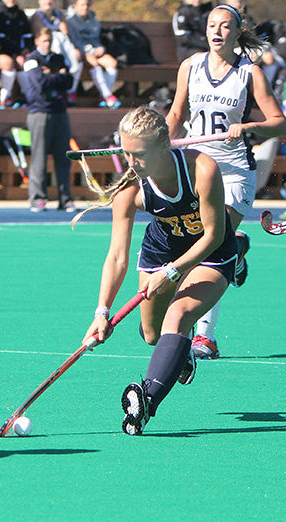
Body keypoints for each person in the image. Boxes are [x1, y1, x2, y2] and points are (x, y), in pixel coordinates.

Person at [79, 106, 238, 435]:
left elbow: (213, 234)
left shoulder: (202, 169)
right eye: (125, 153)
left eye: (138, 155)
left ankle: (145, 403)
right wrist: (102, 311)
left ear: (164, 147)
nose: (131, 164)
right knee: (153, 335)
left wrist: (172, 272)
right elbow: (117, 256)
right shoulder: (130, 189)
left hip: (210, 252)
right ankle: (178, 355)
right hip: (162, 249)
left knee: (177, 316)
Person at [166, 3, 286, 359]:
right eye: (211, 26)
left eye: (224, 26)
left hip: (234, 172)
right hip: (198, 168)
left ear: (236, 33)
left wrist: (248, 127)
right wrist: (160, 143)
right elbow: (176, 112)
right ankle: (236, 251)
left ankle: (204, 336)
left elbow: (279, 121)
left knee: (208, 247)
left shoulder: (250, 73)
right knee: (207, 244)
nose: (216, 31)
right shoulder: (190, 66)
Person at [23, 27, 75, 212]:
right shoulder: (31, 60)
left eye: (49, 40)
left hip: (59, 112)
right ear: (37, 41)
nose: (47, 44)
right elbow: (40, 85)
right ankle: (38, 198)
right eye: (44, 40)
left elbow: (69, 82)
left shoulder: (58, 58)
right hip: (40, 113)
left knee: (64, 157)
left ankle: (65, 198)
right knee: (39, 157)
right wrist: (57, 75)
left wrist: (52, 75)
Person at [65, 0, 120, 110]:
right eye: (82, 5)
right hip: (81, 52)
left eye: (87, 5)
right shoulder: (69, 21)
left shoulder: (94, 21)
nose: (85, 7)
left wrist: (100, 48)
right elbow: (74, 41)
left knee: (112, 63)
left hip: (94, 52)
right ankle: (107, 96)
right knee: (94, 63)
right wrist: (90, 51)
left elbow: (96, 39)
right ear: (75, 6)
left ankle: (103, 97)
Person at [30, 0, 80, 106]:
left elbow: (65, 33)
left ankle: (71, 92)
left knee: (76, 57)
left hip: (61, 48)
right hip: (48, 52)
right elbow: (41, 34)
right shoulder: (37, 16)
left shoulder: (59, 14)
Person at [0, 0, 33, 108]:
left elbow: (27, 35)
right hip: (2, 51)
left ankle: (30, 98)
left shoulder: (20, 14)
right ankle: (5, 98)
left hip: (17, 51)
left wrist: (26, 49)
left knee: (23, 61)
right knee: (8, 62)